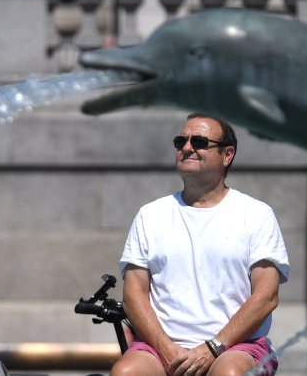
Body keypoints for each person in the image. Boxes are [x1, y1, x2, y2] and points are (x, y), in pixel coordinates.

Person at [111, 114, 289, 376]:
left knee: (229, 374)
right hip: (162, 350)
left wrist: (213, 348)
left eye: (199, 141)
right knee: (126, 373)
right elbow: (133, 295)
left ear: (227, 155)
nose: (186, 147)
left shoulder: (256, 214)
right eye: (181, 141)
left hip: (237, 347)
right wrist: (168, 350)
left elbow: (266, 297)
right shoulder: (150, 215)